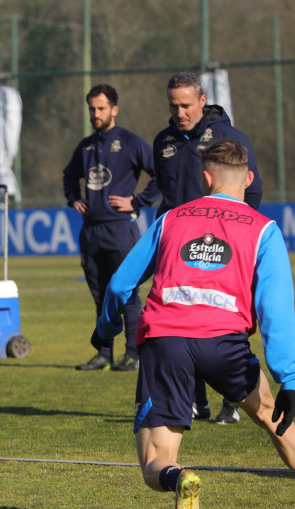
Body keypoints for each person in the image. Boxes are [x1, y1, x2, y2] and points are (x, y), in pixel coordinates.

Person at [92, 140, 295, 509]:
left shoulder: (170, 218)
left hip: (166, 341)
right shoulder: (264, 229)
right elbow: (276, 311)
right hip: (225, 344)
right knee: (276, 418)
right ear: (248, 179)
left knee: (156, 460)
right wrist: (291, 379)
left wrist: (106, 329)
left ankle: (180, 478)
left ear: (205, 178)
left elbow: (121, 284)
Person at [153, 71, 263, 424]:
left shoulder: (230, 138)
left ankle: (233, 399)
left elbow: (253, 192)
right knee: (180, 321)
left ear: (202, 101)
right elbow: (166, 196)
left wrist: (233, 232)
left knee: (227, 322)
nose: (180, 111)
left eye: (186, 104)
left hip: (220, 248)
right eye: (174, 105)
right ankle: (196, 401)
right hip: (178, 251)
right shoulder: (163, 141)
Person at [63, 84, 159, 372]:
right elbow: (69, 176)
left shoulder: (130, 142)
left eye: (101, 108)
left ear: (114, 109)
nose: (96, 113)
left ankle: (133, 354)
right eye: (92, 108)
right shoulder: (87, 145)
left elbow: (159, 174)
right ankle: (103, 353)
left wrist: (138, 201)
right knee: (100, 295)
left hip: (120, 229)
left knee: (127, 294)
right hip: (91, 232)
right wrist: (73, 199)